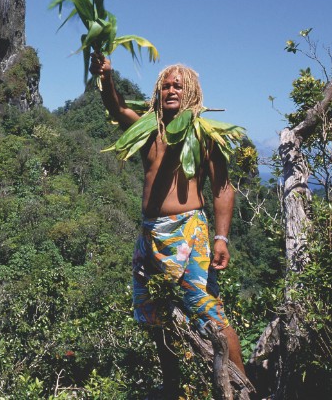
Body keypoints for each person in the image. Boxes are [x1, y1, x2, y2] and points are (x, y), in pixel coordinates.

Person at [89, 53, 246, 399]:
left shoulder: (203, 134)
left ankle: (242, 388)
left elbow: (221, 188)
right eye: (165, 85)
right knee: (154, 313)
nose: (171, 89)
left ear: (191, 91)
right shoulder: (149, 129)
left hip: (188, 232)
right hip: (150, 234)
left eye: (179, 84)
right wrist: (106, 77)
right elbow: (116, 109)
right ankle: (173, 386)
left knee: (208, 311)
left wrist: (221, 237)